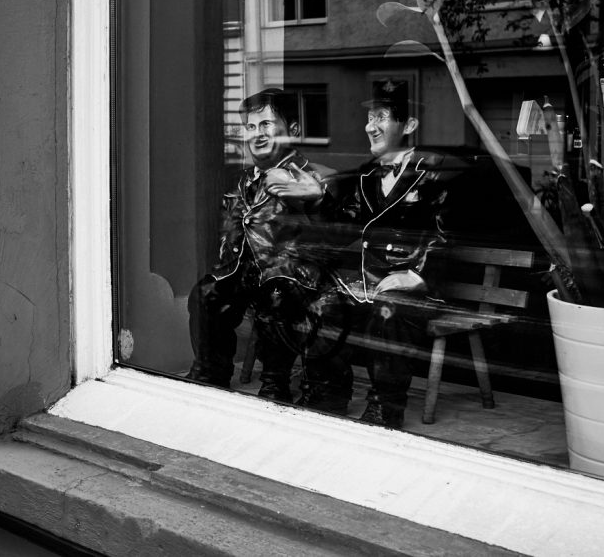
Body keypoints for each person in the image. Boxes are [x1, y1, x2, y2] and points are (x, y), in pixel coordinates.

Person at [186, 89, 335, 404]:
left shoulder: (310, 177)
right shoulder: (243, 180)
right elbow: (231, 231)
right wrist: (225, 267)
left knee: (277, 296)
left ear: (293, 131)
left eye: (266, 125)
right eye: (251, 127)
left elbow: (334, 223)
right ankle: (211, 374)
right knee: (206, 293)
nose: (256, 134)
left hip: (294, 275)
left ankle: (274, 383)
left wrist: (317, 196)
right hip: (245, 271)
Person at [326, 95, 451, 428]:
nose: (370, 126)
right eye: (369, 117)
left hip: (414, 286)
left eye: (380, 117)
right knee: (321, 302)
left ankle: (385, 409)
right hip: (370, 280)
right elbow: (343, 226)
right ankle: (329, 394)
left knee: (388, 308)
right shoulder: (367, 175)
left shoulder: (433, 169)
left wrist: (416, 275)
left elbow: (448, 234)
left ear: (408, 126)